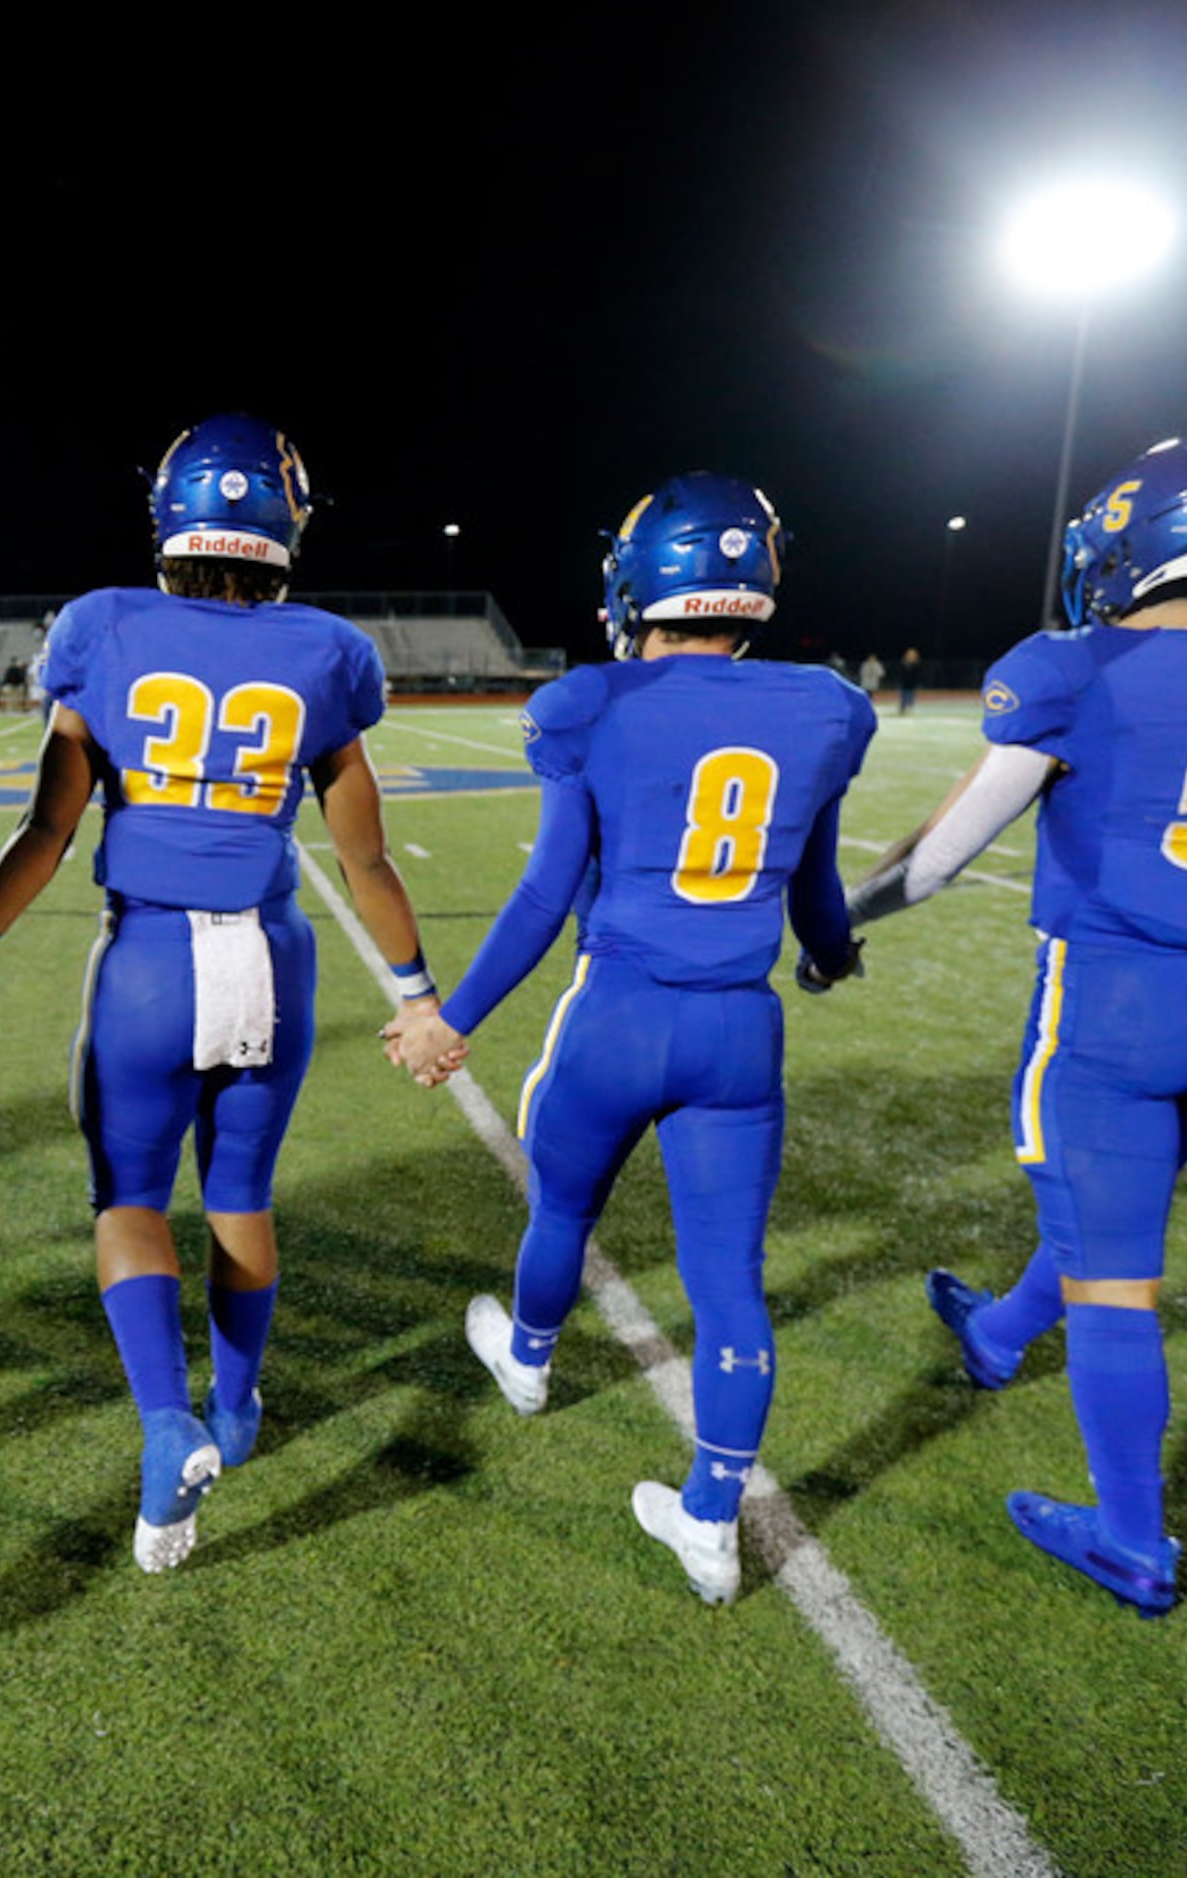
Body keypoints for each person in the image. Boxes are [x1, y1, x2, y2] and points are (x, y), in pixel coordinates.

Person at [848, 438, 1187, 1615]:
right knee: (1106, 1216)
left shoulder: (1072, 669)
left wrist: (835, 926)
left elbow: (935, 861)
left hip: (1117, 1007)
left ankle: (1132, 1538)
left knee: (1114, 1274)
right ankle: (992, 1336)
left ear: (1135, 544)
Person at [0, 414, 433, 1573]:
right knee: (239, 1196)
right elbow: (365, 859)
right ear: (287, 524)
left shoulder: (104, 627)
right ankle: (236, 1405)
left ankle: (168, 1425)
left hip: (153, 964)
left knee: (127, 1198)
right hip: (272, 955)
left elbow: (48, 828)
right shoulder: (326, 651)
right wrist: (416, 994)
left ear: (168, 515)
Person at [384, 473, 872, 1605]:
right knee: (728, 1284)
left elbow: (548, 891)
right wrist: (831, 956)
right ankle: (710, 1517)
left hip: (618, 1011)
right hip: (740, 1033)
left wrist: (447, 1021)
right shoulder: (826, 706)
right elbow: (817, 887)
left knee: (563, 1208)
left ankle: (530, 1360)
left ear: (639, 579)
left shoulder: (591, 702)